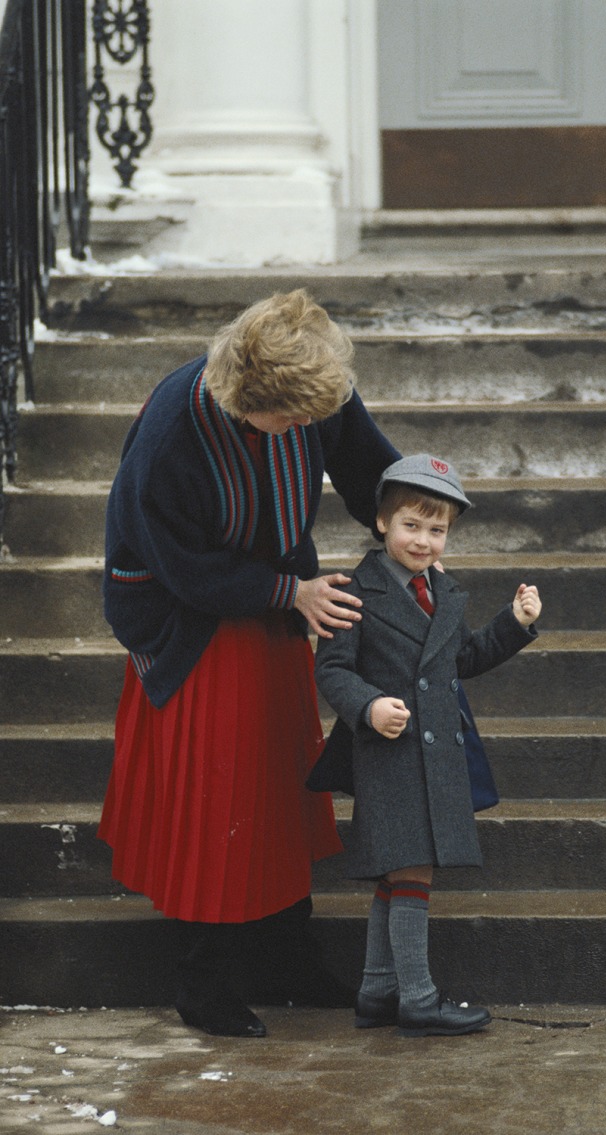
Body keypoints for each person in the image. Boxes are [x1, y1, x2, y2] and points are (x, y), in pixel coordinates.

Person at [98, 289, 400, 1037]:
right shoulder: (172, 431)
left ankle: (284, 961)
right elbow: (180, 565)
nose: (305, 429)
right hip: (190, 617)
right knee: (218, 799)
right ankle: (202, 979)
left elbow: (369, 468)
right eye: (290, 421)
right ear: (246, 399)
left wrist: (413, 522)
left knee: (281, 783)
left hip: (274, 601)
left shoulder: (314, 388)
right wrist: (287, 591)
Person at [314, 454, 541, 1037]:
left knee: (398, 873)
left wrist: (512, 624)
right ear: (382, 524)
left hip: (435, 755)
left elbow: (460, 660)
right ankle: (418, 997)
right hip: (388, 753)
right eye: (411, 525)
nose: (423, 540)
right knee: (412, 869)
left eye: (437, 530)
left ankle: (376, 990)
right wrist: (368, 706)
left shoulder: (441, 592)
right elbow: (333, 670)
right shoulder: (355, 591)